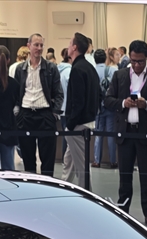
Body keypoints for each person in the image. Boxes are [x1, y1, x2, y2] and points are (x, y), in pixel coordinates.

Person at [105, 39, 147, 228]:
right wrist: (123, 103)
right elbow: (108, 100)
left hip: (145, 133)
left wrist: (146, 104)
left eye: (140, 61)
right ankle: (123, 210)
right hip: (125, 133)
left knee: (146, 175)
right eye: (133, 61)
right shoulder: (119, 75)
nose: (136, 65)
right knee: (124, 175)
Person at [14, 34, 63, 177]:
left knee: (48, 159)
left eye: (41, 45)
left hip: (45, 115)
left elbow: (59, 93)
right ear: (28, 46)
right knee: (28, 158)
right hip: (26, 115)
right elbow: (16, 92)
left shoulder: (51, 68)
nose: (39, 48)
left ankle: (47, 186)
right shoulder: (20, 69)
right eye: (36, 45)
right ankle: (31, 186)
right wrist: (17, 111)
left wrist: (55, 112)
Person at [62, 33, 99, 187]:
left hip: (79, 125)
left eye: (70, 43)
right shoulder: (89, 68)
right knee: (69, 161)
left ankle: (86, 194)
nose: (68, 46)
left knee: (81, 167)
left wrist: (70, 125)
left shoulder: (77, 69)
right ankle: (64, 188)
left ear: (74, 48)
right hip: (87, 121)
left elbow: (78, 101)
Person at [92, 49, 118, 169]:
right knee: (111, 134)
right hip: (110, 105)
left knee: (98, 133)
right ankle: (113, 161)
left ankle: (97, 160)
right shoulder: (112, 70)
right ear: (105, 58)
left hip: (97, 106)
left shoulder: (92, 70)